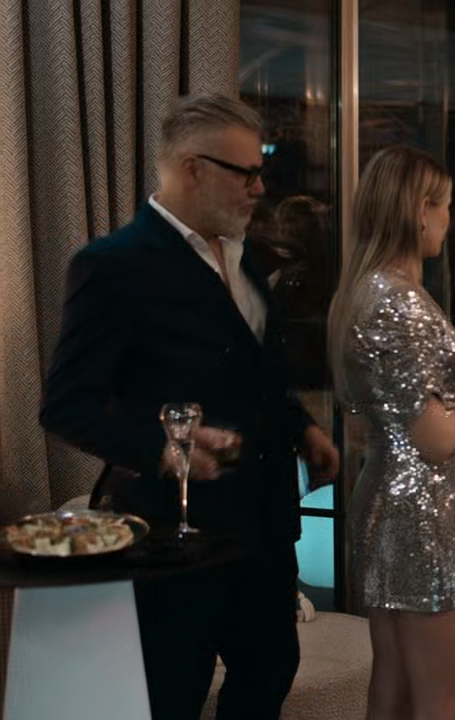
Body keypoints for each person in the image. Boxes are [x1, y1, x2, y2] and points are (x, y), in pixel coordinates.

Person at [39, 94, 340, 719]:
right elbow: (65, 406)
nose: (259, 187)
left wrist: (302, 427)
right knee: (171, 695)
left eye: (260, 171)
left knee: (268, 675)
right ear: (192, 169)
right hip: (176, 536)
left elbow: (256, 374)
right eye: (245, 172)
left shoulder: (245, 257)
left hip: (264, 526)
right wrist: (163, 450)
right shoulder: (113, 266)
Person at [329, 146, 455, 719]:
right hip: (424, 516)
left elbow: (407, 403)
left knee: (396, 690)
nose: (449, 220)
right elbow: (434, 437)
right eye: (445, 206)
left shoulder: (371, 289)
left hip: (392, 503)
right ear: (420, 210)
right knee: (445, 700)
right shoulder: (399, 301)